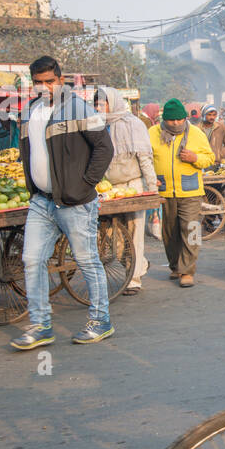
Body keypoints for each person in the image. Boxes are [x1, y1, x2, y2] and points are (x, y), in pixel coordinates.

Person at [11, 55, 116, 350]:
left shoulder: (79, 108)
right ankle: (41, 325)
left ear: (61, 79)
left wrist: (82, 186)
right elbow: (28, 151)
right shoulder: (30, 111)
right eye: (38, 82)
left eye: (50, 81)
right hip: (41, 202)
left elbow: (104, 148)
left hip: (75, 202)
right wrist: (33, 187)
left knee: (87, 261)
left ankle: (101, 321)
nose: (44, 87)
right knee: (32, 260)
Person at [95, 86, 157, 294]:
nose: (98, 107)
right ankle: (140, 265)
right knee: (115, 237)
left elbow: (145, 159)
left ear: (112, 102)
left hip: (133, 186)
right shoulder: (97, 126)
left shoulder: (133, 124)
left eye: (101, 103)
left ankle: (134, 279)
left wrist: (152, 187)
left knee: (135, 233)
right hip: (109, 188)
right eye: (96, 104)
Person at [151, 98, 215, 287]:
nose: (177, 124)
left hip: (191, 192)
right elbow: (145, 157)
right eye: (172, 121)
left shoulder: (196, 133)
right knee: (169, 233)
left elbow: (209, 158)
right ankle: (175, 266)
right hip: (164, 191)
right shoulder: (152, 134)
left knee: (192, 230)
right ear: (165, 120)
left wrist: (195, 158)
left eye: (180, 120)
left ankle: (187, 271)